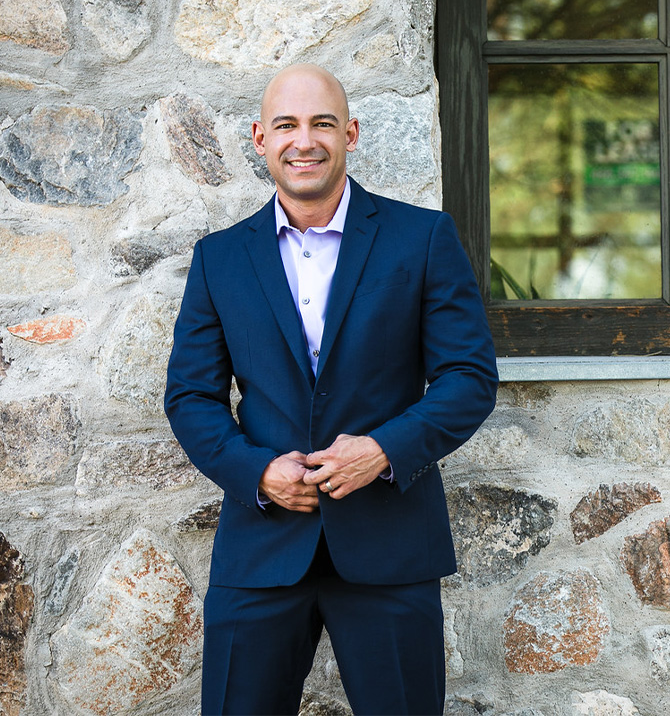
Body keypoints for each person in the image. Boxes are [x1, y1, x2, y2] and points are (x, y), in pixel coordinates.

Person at [164, 63, 498, 716]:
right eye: (286, 124)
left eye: (322, 123)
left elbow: (468, 378)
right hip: (260, 552)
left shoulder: (422, 239)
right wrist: (257, 472)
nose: (304, 140)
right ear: (260, 138)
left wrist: (383, 449)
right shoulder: (219, 259)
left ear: (350, 132)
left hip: (390, 546)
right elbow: (191, 397)